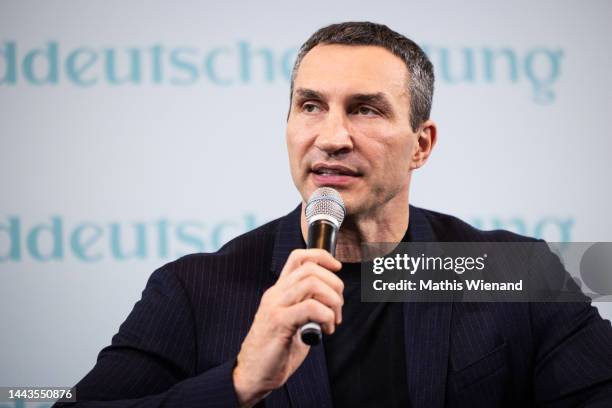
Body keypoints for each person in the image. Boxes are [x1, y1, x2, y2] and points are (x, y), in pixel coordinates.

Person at [55, 22, 612, 407]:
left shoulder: (512, 270)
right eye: (311, 106)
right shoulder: (193, 288)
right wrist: (239, 384)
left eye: (365, 110)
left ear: (422, 145)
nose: (332, 137)